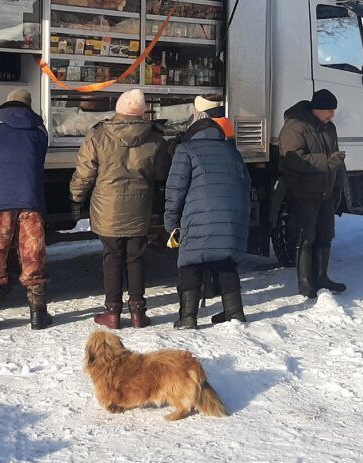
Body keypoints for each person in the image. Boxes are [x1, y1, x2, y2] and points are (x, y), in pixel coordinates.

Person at [70, 89, 171, 329]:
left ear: (118, 108)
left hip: (108, 208)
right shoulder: (155, 138)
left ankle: (112, 312)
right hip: (139, 207)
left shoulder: (99, 134)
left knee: (112, 257)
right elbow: (161, 173)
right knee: (136, 258)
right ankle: (138, 312)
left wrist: (76, 198)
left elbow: (85, 173)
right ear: (142, 111)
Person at [0, 88, 51, 332]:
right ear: (29, 106)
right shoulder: (40, 129)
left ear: (7, 103)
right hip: (30, 198)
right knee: (33, 254)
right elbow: (38, 161)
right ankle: (38, 314)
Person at [165, 109, 251, 329]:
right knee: (226, 263)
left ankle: (188, 317)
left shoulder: (186, 150)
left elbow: (175, 190)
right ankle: (235, 312)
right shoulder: (232, 152)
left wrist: (171, 222)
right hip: (230, 216)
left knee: (190, 264)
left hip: (197, 216)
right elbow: (245, 186)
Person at [277, 89, 347, 297]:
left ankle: (322, 277)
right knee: (306, 237)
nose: (332, 115)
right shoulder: (294, 127)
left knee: (325, 235)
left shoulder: (328, 128)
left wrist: (339, 185)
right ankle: (306, 283)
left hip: (326, 191)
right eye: (329, 111)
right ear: (317, 109)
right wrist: (326, 162)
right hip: (305, 192)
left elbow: (336, 159)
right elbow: (293, 159)